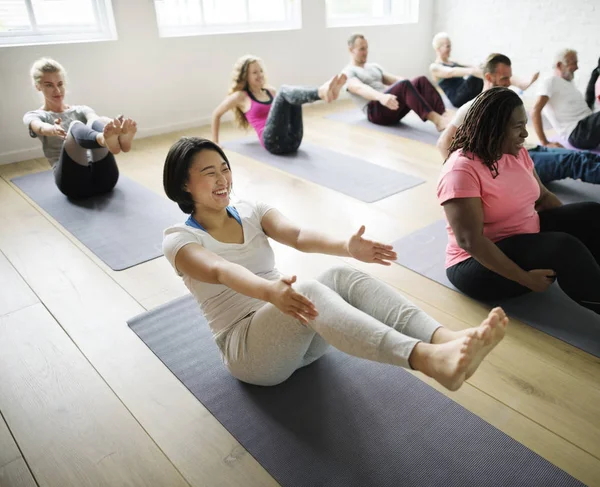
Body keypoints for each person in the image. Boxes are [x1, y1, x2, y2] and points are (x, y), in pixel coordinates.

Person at [162, 136, 507, 391]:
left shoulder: (252, 210)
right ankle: (427, 359)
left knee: (341, 274)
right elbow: (221, 270)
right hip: (251, 353)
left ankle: (445, 339)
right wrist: (270, 292)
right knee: (306, 290)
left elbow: (297, 235)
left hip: (299, 336)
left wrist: (347, 246)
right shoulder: (179, 240)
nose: (222, 179)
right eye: (209, 173)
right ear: (184, 184)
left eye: (225, 168)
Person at [438, 87, 600, 316]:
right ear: (494, 128)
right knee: (564, 248)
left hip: (521, 237)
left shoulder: (517, 153)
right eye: (518, 127)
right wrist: (526, 279)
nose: (525, 134)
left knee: (590, 214)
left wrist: (576, 228)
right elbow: (470, 242)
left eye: (525, 125)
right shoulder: (460, 170)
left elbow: (543, 197)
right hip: (476, 264)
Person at [437, 54, 600, 185]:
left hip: (529, 151)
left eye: (509, 78)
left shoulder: (503, 102)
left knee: (583, 155)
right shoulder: (473, 107)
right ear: (489, 77)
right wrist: (462, 179)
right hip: (516, 164)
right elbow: (443, 143)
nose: (509, 83)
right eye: (504, 79)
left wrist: (544, 142)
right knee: (575, 161)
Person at [23, 58, 137, 199]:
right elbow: (39, 127)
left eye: (60, 84)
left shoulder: (81, 109)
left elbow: (94, 119)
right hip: (73, 184)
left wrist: (114, 125)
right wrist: (52, 129)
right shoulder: (35, 115)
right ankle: (104, 139)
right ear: (38, 87)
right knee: (75, 126)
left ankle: (119, 139)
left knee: (98, 120)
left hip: (106, 180)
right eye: (49, 85)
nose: (57, 90)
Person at [211, 55, 346, 155]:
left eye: (261, 71)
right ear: (245, 76)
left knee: (291, 95)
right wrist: (215, 143)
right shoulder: (241, 96)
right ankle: (320, 92)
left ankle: (324, 92)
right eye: (254, 72)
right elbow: (216, 114)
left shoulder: (270, 91)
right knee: (284, 91)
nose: (260, 75)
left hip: (293, 141)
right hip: (272, 143)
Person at [344, 34, 451, 131]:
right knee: (404, 85)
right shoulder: (348, 72)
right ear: (351, 50)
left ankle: (444, 115)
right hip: (376, 112)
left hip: (391, 104)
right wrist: (381, 97)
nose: (365, 52)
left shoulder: (373, 67)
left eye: (366, 48)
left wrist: (413, 88)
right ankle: (438, 121)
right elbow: (359, 88)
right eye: (361, 49)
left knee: (420, 80)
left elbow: (395, 80)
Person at [429, 33, 538, 108]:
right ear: (438, 48)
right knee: (481, 73)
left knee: (486, 68)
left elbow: (471, 66)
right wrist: (473, 71)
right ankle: (518, 84)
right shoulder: (435, 67)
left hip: (467, 92)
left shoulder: (452, 61)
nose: (450, 49)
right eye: (447, 46)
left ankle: (508, 88)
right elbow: (450, 72)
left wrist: (485, 65)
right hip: (457, 98)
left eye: (450, 46)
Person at [532, 49, 600, 150]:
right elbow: (535, 110)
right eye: (574, 63)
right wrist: (545, 142)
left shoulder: (569, 84)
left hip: (587, 127)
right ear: (559, 65)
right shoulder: (550, 81)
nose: (577, 67)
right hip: (577, 132)